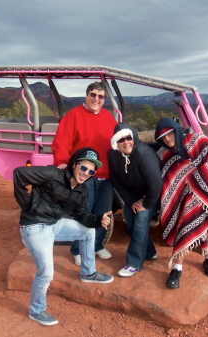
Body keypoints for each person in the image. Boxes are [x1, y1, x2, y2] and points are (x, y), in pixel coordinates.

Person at [13, 147, 114, 326]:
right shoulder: (53, 174)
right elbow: (19, 173)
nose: (86, 173)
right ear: (75, 164)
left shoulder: (82, 190)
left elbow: (83, 216)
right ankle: (36, 310)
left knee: (88, 232)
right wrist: (27, 205)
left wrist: (99, 220)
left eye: (91, 171)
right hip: (34, 226)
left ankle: (88, 273)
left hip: (55, 224)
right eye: (83, 168)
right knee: (46, 272)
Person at [154, 117, 208, 289]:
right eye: (163, 137)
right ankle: (177, 268)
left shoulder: (197, 140)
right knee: (184, 226)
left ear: (177, 130)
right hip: (185, 199)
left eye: (170, 133)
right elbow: (168, 183)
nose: (167, 139)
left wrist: (198, 181)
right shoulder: (168, 156)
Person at [52, 81, 118, 266]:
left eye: (101, 96)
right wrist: (62, 163)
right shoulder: (74, 116)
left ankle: (96, 245)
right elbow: (62, 142)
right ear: (87, 95)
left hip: (106, 175)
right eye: (93, 95)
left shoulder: (109, 118)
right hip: (85, 174)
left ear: (104, 99)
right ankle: (78, 250)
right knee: (83, 212)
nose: (96, 99)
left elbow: (116, 143)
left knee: (104, 212)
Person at [109, 123, 162, 277]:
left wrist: (145, 204)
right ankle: (150, 252)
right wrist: (131, 201)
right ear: (116, 143)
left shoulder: (144, 154)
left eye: (128, 138)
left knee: (141, 219)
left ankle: (134, 263)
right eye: (121, 140)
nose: (126, 142)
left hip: (154, 195)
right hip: (134, 196)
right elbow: (116, 180)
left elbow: (156, 183)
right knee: (130, 220)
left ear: (134, 138)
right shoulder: (113, 155)